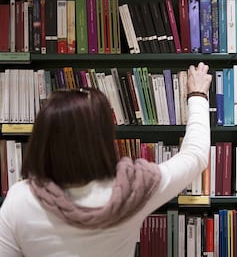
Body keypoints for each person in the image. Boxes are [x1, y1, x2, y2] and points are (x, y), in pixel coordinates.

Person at [0, 62, 212, 257]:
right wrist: (197, 94)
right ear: (103, 137)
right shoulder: (133, 190)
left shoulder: (20, 199)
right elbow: (195, 155)